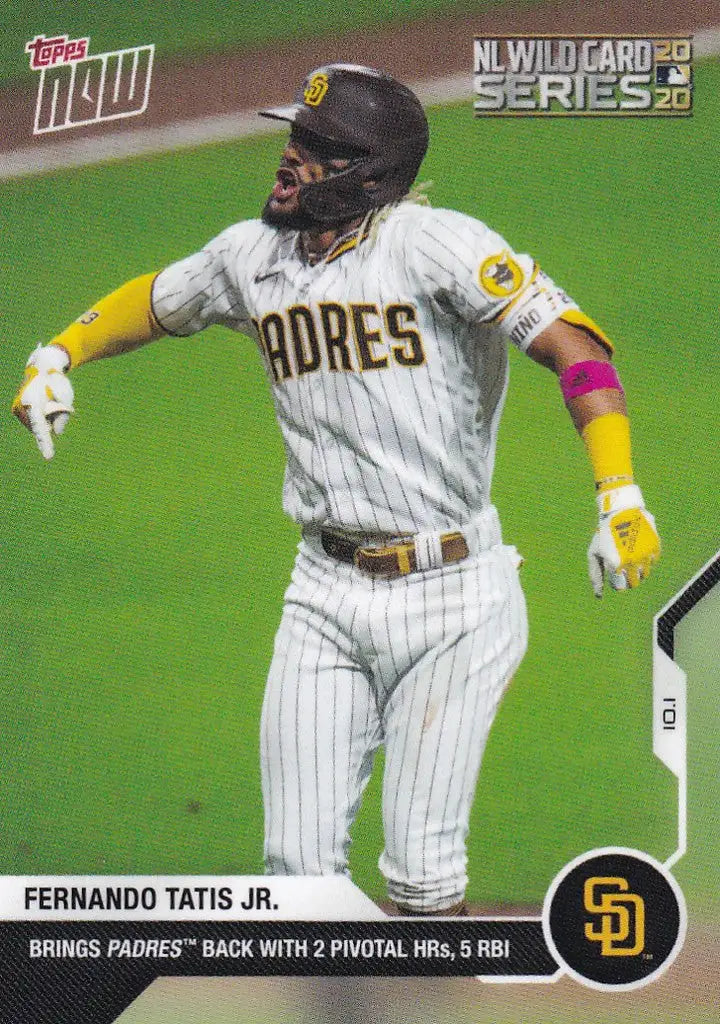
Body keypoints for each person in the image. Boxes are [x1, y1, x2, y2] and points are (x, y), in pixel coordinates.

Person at [12, 64, 660, 916]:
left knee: (422, 875)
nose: (288, 157)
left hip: (454, 598)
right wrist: (59, 353)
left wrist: (619, 494)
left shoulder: (435, 247)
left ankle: (432, 982)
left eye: (316, 147)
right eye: (294, 136)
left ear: (370, 174)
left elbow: (579, 350)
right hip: (322, 593)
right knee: (297, 873)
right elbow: (160, 299)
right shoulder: (250, 257)